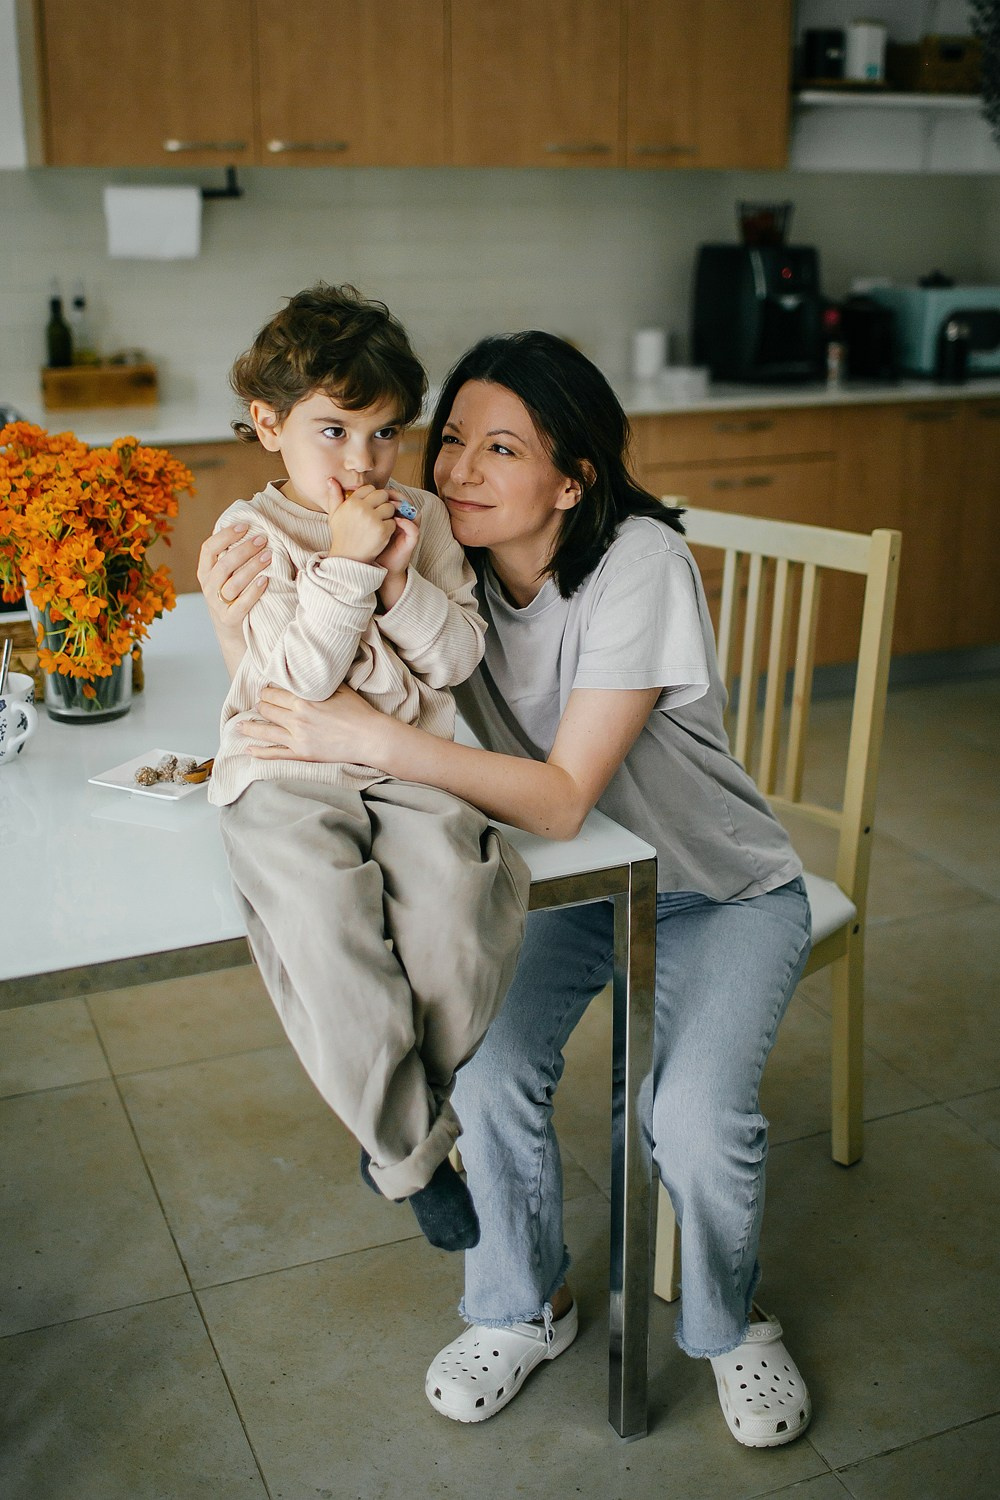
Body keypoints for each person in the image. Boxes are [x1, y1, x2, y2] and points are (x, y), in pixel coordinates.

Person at [200, 329, 813, 1449]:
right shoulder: (432, 546)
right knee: (480, 1074)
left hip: (717, 889)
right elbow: (305, 639)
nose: (454, 472)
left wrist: (369, 742)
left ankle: (732, 1324)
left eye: (501, 450)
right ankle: (520, 1305)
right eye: (448, 444)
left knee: (690, 1117)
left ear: (570, 482)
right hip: (579, 895)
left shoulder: (639, 565)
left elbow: (563, 798)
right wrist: (233, 607)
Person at [206, 285, 529, 1254]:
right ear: (269, 425)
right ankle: (409, 1153)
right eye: (333, 431)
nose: (361, 463)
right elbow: (295, 683)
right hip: (286, 769)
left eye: (384, 435)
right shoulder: (249, 537)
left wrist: (396, 581)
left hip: (404, 764)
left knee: (458, 926)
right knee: (325, 932)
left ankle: (396, 1109)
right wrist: (345, 567)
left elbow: (458, 658)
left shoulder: (420, 521)